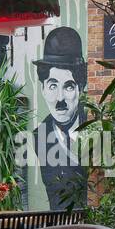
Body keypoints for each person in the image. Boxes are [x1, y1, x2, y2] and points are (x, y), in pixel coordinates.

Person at [31, 27, 88, 210]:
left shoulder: (96, 130)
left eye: (69, 87)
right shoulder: (40, 135)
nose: (60, 98)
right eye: (53, 86)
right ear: (43, 89)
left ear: (80, 88)